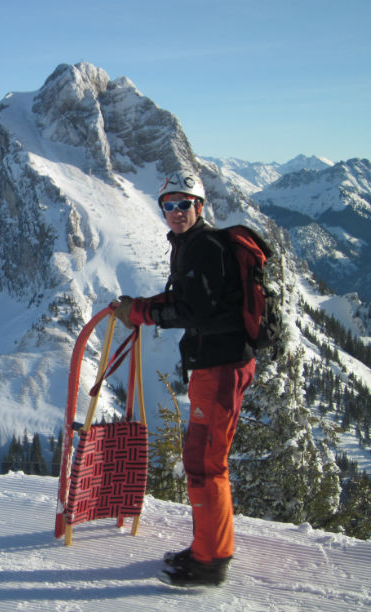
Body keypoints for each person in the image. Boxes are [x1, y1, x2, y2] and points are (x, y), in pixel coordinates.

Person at [112, 171, 256, 588]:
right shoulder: (192, 245)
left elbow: (194, 310)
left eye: (184, 203)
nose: (175, 212)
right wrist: (139, 307)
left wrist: (142, 313)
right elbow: (184, 298)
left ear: (200, 206)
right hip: (214, 364)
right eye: (168, 205)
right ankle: (206, 548)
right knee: (201, 459)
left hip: (222, 365)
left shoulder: (205, 247)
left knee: (206, 462)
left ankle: (210, 561)